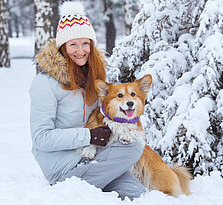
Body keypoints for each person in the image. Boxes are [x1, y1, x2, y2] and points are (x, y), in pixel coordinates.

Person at [29, 1, 146, 200]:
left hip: (92, 155)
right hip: (62, 166)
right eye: (73, 44)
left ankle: (92, 185)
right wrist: (88, 136)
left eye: (85, 43)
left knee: (136, 193)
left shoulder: (92, 79)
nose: (80, 50)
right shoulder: (45, 83)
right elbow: (41, 139)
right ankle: (67, 191)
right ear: (63, 47)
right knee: (133, 148)